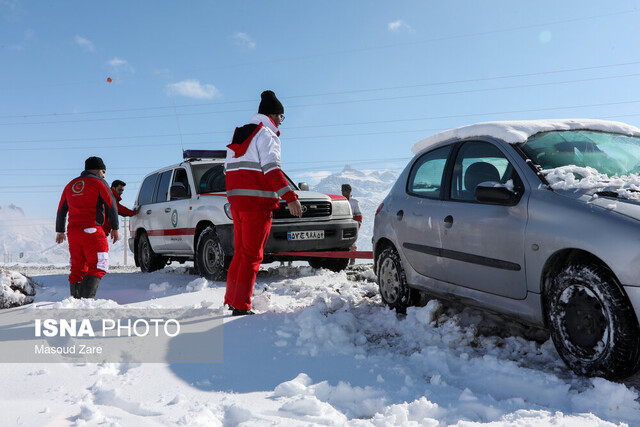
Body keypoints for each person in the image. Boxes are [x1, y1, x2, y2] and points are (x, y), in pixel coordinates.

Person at [224, 90, 302, 316]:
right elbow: (272, 171)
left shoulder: (240, 136)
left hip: (237, 204)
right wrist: (291, 197)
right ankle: (241, 305)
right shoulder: (266, 135)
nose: (281, 121)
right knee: (252, 255)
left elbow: (229, 171)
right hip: (257, 205)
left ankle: (232, 298)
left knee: (240, 253)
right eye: (281, 117)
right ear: (273, 115)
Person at [55, 156, 119, 299]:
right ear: (97, 170)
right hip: (92, 230)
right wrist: (115, 227)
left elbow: (61, 210)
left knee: (78, 267)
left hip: (73, 232)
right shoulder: (99, 183)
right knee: (100, 265)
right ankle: (85, 301)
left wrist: (60, 230)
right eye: (103, 171)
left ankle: (75, 302)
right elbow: (111, 204)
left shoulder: (70, 185)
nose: (104, 175)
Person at [341, 183, 362, 265]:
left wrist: (357, 227)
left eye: (344, 190)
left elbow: (359, 216)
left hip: (352, 225)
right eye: (342, 190)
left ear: (348, 191)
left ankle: (352, 262)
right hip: (342, 224)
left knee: (352, 243)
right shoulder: (340, 200)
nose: (342, 192)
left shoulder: (354, 202)